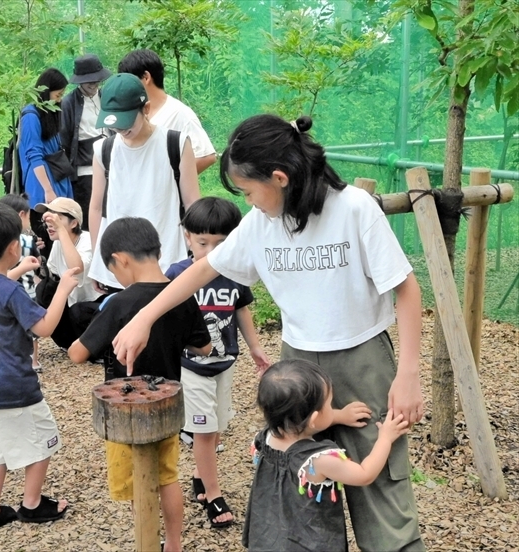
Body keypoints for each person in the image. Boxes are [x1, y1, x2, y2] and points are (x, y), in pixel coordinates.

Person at [112, 114, 425, 551]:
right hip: (296, 364)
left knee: (381, 488)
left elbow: (407, 291)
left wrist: (408, 374)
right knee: (297, 483)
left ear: (279, 177)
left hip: (362, 357)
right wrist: (143, 316)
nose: (248, 201)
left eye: (248, 191)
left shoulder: (354, 208)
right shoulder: (261, 223)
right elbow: (203, 269)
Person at [68, 217, 211, 552]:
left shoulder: (120, 303)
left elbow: (77, 353)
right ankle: (173, 545)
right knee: (168, 475)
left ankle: (148, 541)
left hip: (126, 412)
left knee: (138, 483)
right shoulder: (181, 297)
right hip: (167, 405)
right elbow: (203, 347)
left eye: (113, 271)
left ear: (121, 260)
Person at [0, 202, 78, 533]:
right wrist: (63, 290)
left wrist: (18, 270)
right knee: (43, 443)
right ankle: (32, 504)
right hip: (16, 388)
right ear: (13, 246)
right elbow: (43, 327)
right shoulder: (11, 292)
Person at [165, 197, 271, 529]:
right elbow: (166, 316)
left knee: (218, 424)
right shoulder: (178, 274)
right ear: (187, 238)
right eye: (202, 242)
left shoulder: (234, 274)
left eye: (221, 244)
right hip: (191, 366)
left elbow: (241, 309)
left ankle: (200, 475)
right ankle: (213, 494)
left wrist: (255, 347)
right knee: (206, 431)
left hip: (225, 362)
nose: (211, 250)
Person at [245, 359, 409, 551]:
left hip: (268, 538)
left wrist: (338, 416)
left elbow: (302, 425)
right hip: (309, 544)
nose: (332, 408)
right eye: (330, 405)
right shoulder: (319, 460)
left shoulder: (264, 439)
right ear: (313, 418)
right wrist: (385, 438)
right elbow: (364, 474)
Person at [88, 73, 200, 290]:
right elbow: (95, 208)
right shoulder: (104, 150)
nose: (120, 130)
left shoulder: (175, 144)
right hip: (120, 267)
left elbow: (193, 203)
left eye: (126, 123)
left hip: (168, 263)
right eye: (115, 125)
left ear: (146, 109)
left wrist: (197, 252)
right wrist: (98, 262)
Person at [117, 49, 216, 174]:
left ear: (146, 77)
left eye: (129, 82)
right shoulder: (132, 112)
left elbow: (206, 156)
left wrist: (172, 180)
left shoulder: (179, 113)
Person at [34, 197, 104, 349]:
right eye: (49, 218)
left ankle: (97, 350)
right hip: (74, 304)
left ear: (74, 223)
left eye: (57, 218)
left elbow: (76, 269)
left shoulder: (87, 242)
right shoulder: (58, 242)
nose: (50, 224)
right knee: (44, 292)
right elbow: (50, 278)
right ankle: (70, 344)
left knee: (78, 312)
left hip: (96, 306)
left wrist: (60, 231)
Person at [19, 67, 74, 252]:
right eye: (58, 94)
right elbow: (34, 155)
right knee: (46, 236)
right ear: (46, 92)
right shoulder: (31, 116)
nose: (60, 99)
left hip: (57, 176)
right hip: (42, 183)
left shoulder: (50, 112)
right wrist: (48, 190)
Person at [60, 54, 112, 230]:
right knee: (91, 218)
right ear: (80, 81)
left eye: (97, 80)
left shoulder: (106, 96)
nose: (94, 84)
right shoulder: (68, 103)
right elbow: (65, 139)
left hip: (111, 165)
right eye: (89, 81)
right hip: (85, 170)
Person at [0, 194, 44, 371]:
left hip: (5, 292)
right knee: (32, 329)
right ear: (21, 215)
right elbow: (38, 263)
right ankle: (33, 361)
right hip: (28, 291)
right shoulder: (28, 240)